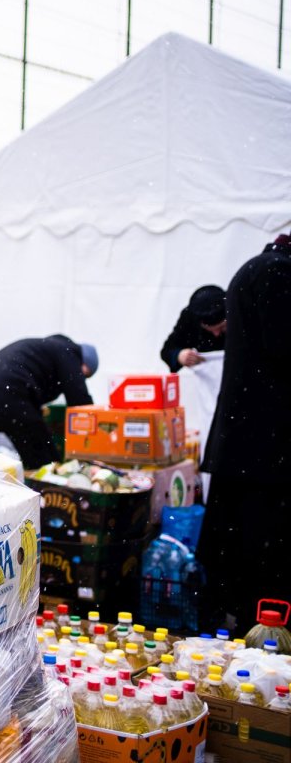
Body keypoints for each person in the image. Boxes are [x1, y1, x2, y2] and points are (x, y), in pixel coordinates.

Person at [197, 234, 291, 632]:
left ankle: (241, 619)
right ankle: (259, 626)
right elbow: (282, 347)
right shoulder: (277, 273)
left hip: (247, 439)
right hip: (264, 443)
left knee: (239, 543)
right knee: (259, 547)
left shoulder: (255, 269)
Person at [0, 335, 98, 470]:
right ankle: (47, 480)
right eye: (84, 375)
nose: (82, 378)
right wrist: (96, 446)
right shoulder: (68, 353)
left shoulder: (47, 349)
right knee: (44, 460)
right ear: (84, 363)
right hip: (6, 393)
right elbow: (79, 400)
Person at [160, 285, 227, 372]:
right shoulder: (189, 318)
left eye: (222, 327)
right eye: (210, 329)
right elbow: (167, 350)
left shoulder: (239, 311)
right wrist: (179, 355)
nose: (216, 334)